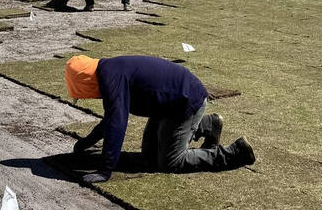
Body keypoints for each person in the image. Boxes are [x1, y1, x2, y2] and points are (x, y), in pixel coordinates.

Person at [65, 54, 255, 183]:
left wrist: (105, 170)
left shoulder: (110, 77)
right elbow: (110, 118)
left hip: (185, 103)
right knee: (149, 158)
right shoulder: (109, 70)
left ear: (84, 81)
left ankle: (234, 153)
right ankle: (209, 124)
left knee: (170, 162)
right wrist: (87, 142)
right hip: (167, 106)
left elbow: (117, 123)